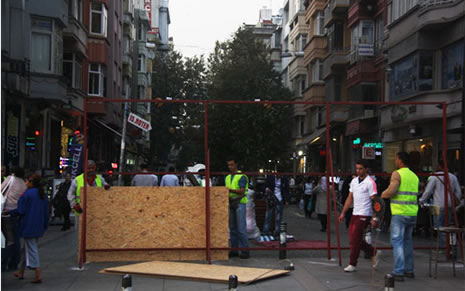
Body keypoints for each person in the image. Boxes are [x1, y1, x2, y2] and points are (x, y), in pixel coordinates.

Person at [381, 152, 419, 282]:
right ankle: (409, 270)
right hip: (412, 213)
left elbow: (392, 190)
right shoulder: (414, 176)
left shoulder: (397, 174)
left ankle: (398, 271)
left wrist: (382, 195)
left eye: (396, 159)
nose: (395, 161)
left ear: (400, 161)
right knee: (408, 241)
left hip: (399, 213)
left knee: (397, 241)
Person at [5, 174, 48, 283]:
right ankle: (21, 271)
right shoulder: (42, 195)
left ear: (32, 183)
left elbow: (20, 210)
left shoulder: (27, 194)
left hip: (28, 225)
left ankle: (38, 272)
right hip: (39, 225)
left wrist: (9, 212)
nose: (26, 183)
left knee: (31, 249)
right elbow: (46, 211)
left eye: (28, 181)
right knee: (27, 249)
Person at [339, 160, 381, 272]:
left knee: (355, 239)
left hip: (365, 213)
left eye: (360, 168)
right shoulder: (353, 181)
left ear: (366, 169)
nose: (358, 170)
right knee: (353, 239)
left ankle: (352, 263)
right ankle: (373, 252)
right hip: (355, 212)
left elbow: (375, 201)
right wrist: (343, 212)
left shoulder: (370, 182)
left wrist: (374, 217)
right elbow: (349, 198)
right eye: (357, 168)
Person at [419, 160, 462, 246]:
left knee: (438, 227)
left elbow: (428, 191)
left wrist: (421, 200)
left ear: (439, 166)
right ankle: (451, 245)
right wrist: (455, 203)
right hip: (450, 205)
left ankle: (445, 246)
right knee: (448, 226)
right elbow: (458, 192)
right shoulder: (453, 177)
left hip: (437, 205)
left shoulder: (434, 177)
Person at [1, 166, 27, 271]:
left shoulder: (10, 179)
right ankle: (14, 263)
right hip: (16, 213)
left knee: (6, 240)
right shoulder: (24, 183)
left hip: (6, 212)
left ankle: (3, 264)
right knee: (15, 239)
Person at [225, 158, 249, 259]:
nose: (230, 167)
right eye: (229, 165)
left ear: (236, 165)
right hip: (231, 202)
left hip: (239, 202)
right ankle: (234, 250)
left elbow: (242, 191)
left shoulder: (242, 176)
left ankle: (244, 250)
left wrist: (229, 190)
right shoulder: (227, 177)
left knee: (241, 228)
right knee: (233, 228)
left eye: (232, 165)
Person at [263, 171, 290, 238]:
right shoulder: (270, 178)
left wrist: (286, 200)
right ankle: (265, 231)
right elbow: (265, 186)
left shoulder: (284, 179)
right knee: (268, 215)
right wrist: (267, 190)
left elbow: (286, 190)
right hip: (271, 199)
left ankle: (277, 232)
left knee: (278, 217)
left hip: (280, 199)